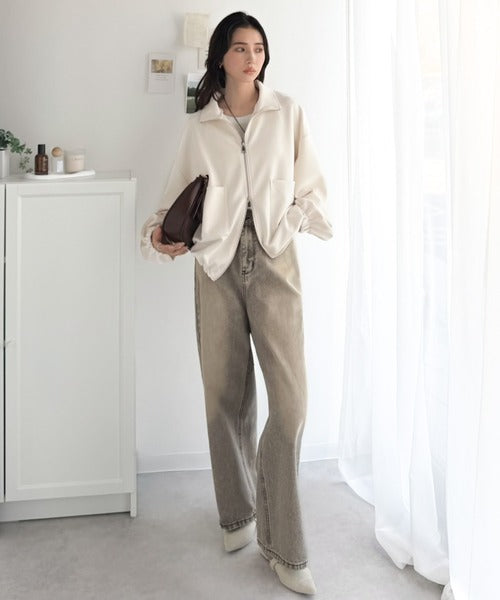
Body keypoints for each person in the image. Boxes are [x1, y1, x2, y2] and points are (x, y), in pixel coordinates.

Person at [141, 11, 333, 595]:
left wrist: (289, 220)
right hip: (216, 266)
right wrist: (158, 237)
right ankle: (237, 514)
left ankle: (285, 545)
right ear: (221, 57)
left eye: (259, 49)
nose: (253, 58)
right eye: (241, 48)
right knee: (224, 396)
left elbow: (314, 190)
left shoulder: (287, 112)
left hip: (275, 262)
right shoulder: (200, 126)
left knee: (290, 405)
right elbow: (170, 202)